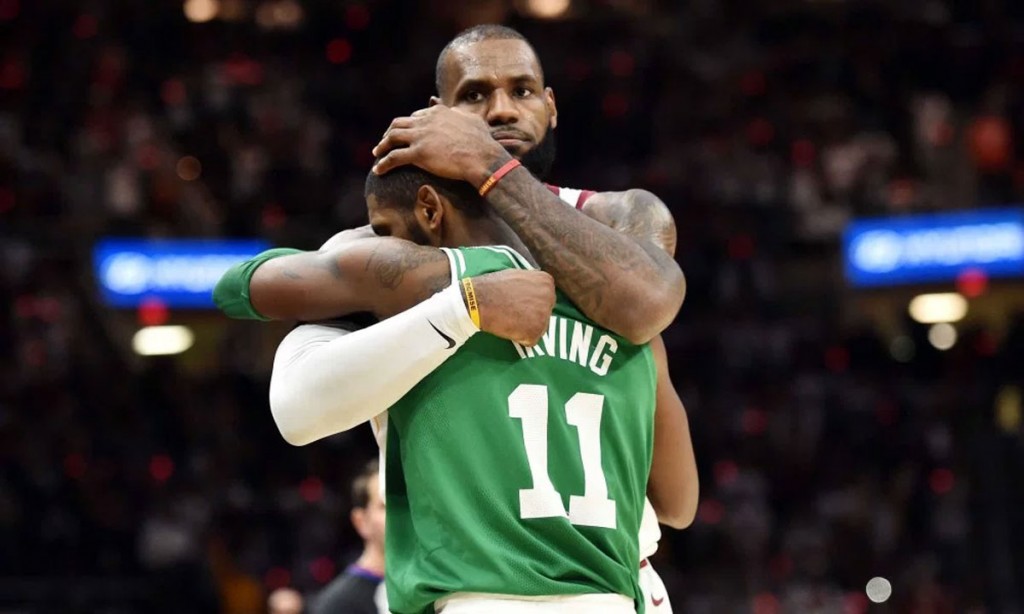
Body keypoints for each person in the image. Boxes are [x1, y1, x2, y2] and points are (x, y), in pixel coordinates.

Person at [214, 24, 697, 612]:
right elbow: (244, 293)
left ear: (551, 106)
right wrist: (468, 299)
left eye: (522, 91)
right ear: (436, 116)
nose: (500, 109)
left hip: (607, 580)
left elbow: (648, 299)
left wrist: (485, 169)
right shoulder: (399, 246)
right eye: (474, 95)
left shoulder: (621, 220)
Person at [313, 461, 388, 614]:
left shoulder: (436, 585)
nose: (401, 515)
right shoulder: (337, 605)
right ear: (361, 522)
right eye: (385, 506)